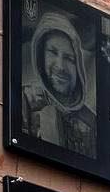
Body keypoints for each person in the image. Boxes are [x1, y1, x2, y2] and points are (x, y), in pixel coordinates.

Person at [22, 11, 97, 157]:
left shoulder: (91, 121)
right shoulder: (25, 99)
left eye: (69, 58)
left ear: (79, 67)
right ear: (40, 55)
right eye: (53, 52)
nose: (60, 66)